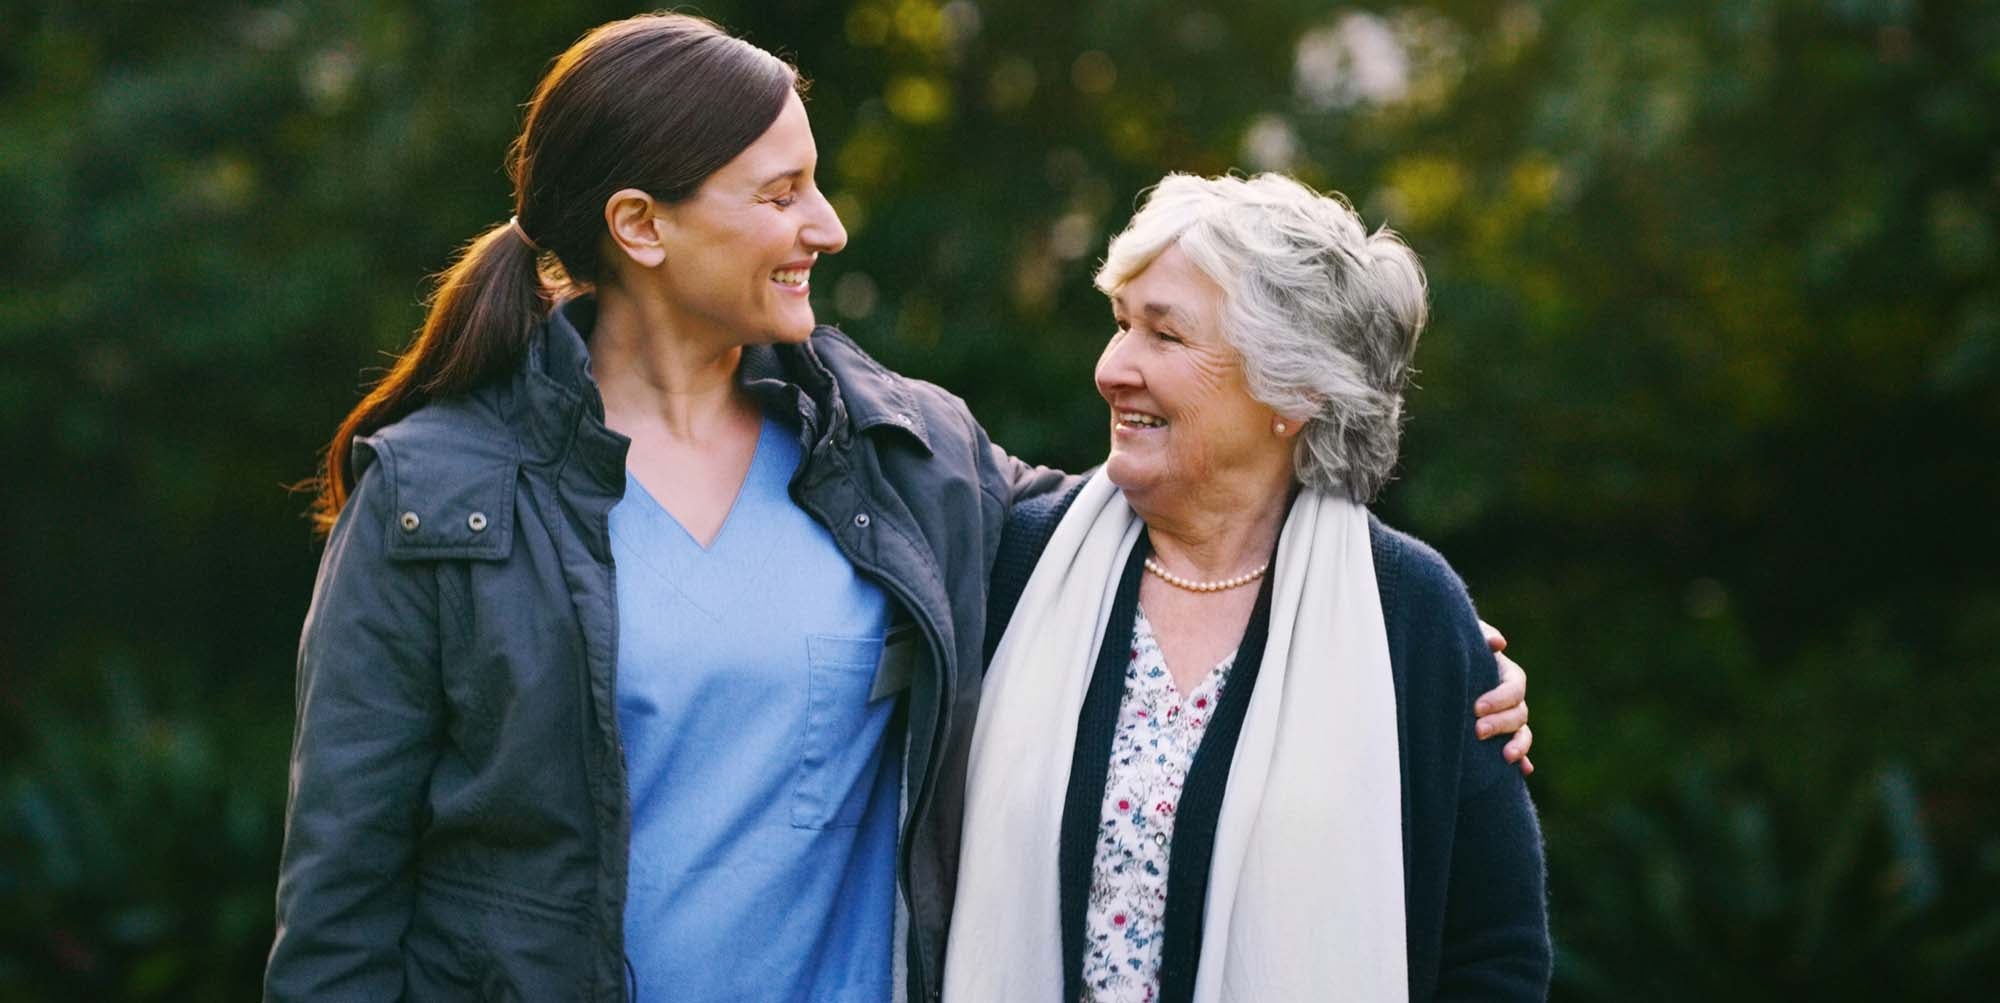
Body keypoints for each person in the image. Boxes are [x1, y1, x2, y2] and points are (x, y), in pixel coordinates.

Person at [265, 14, 1535, 1002]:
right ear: (640, 226)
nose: (825, 225)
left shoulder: (899, 457)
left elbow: (1181, 527)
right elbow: (338, 916)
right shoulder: (433, 501)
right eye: (779, 195)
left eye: (814, 183)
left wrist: (1416, 649)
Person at [947, 173, 1551, 1002]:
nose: (1112, 368)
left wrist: (1456, 667)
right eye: (1121, 324)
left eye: (1165, 335)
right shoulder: (1016, 560)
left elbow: (1495, 953)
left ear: (1293, 390)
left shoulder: (1408, 614)